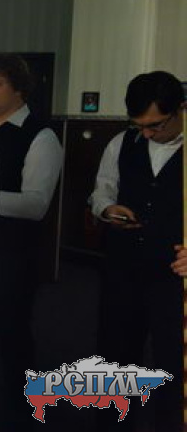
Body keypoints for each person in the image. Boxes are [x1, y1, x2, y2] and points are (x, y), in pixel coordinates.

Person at [91, 71, 184, 431]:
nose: (146, 134)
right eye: (138, 125)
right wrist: (107, 209)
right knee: (115, 356)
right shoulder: (122, 142)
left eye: (155, 125)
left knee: (173, 362)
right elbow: (102, 190)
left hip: (174, 278)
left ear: (180, 109)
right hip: (123, 270)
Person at [0, 53, 63, 430]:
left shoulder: (40, 136)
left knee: (14, 339)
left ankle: (23, 415)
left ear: (19, 89)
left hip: (14, 257)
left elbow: (35, 204)